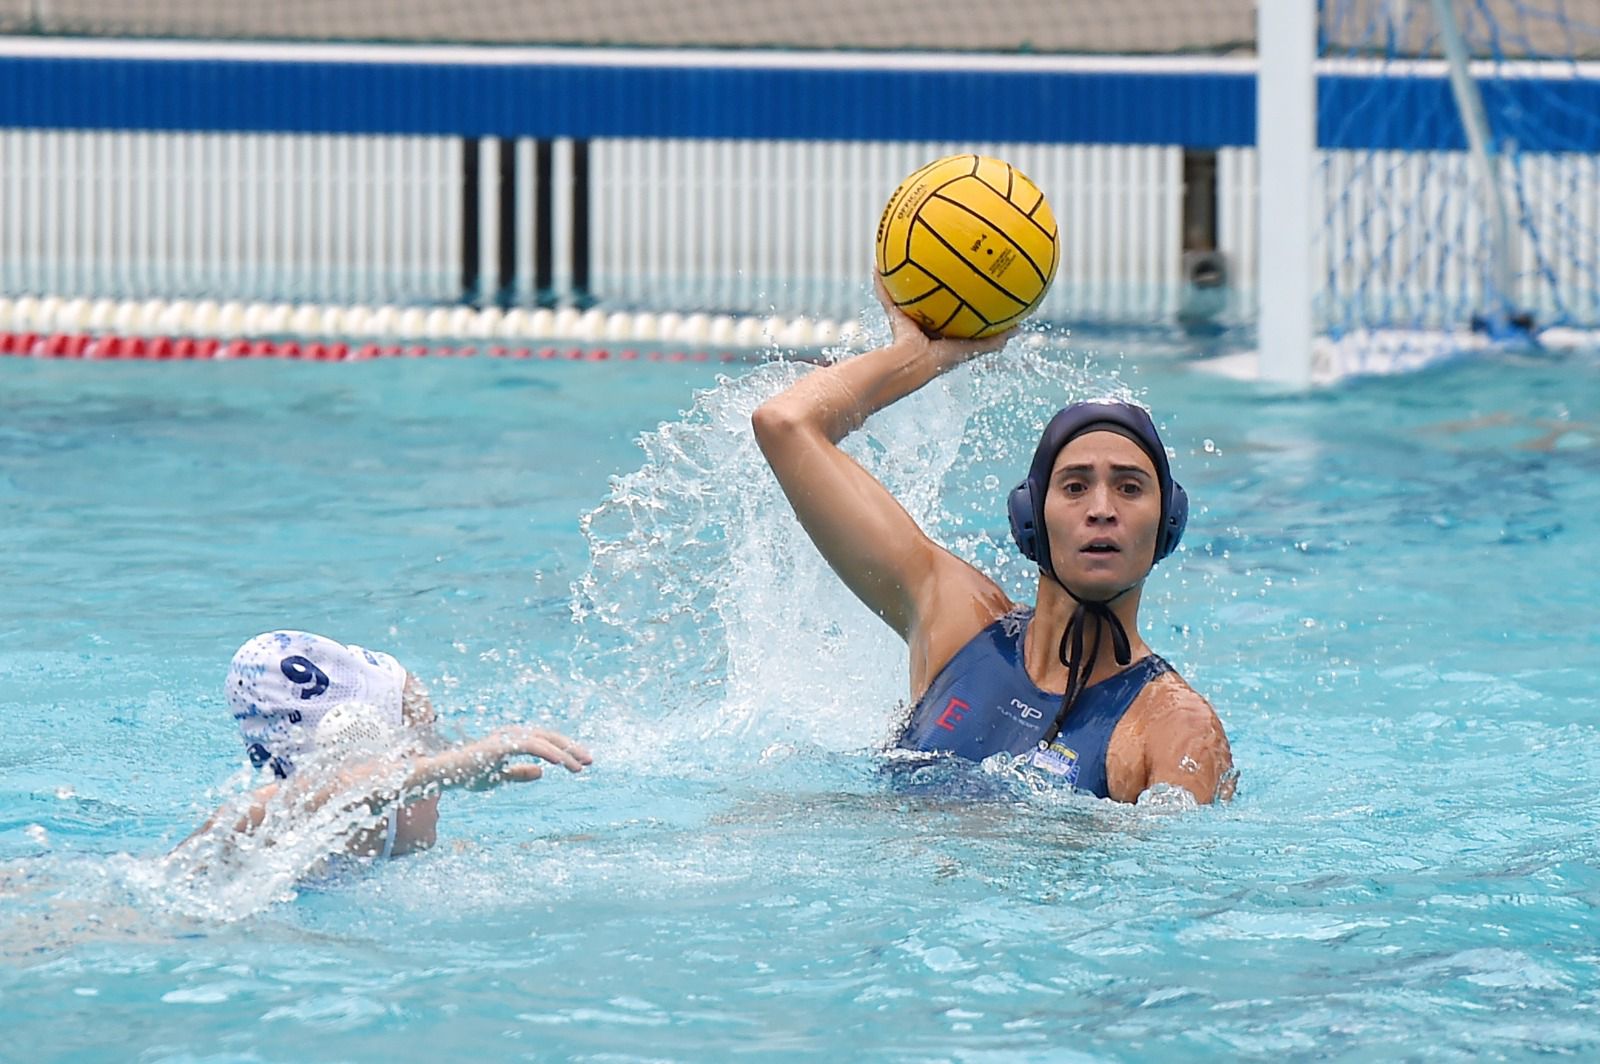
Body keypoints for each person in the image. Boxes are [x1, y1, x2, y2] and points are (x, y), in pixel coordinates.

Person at [752, 279, 1234, 805]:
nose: (1101, 509)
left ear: (1168, 522)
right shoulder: (958, 624)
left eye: (1129, 487)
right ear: (1031, 517)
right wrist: (917, 357)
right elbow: (785, 424)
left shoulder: (1170, 728)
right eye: (1074, 486)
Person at [178, 630, 592, 859]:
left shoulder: (382, 857)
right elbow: (313, 797)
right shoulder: (253, 837)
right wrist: (446, 768)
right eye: (423, 740)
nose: (439, 754)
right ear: (355, 744)